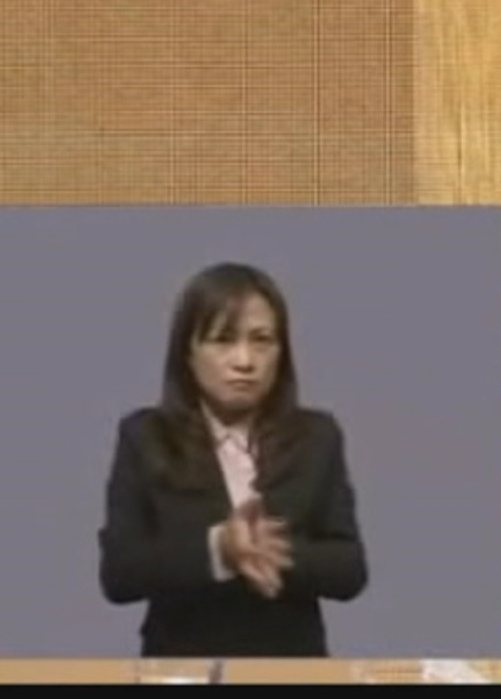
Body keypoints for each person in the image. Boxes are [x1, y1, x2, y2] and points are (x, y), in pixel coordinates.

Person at [98, 261, 367, 657]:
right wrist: (220, 549)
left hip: (291, 664)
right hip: (184, 664)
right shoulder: (146, 436)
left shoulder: (317, 436)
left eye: (262, 340)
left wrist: (266, 550)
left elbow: (349, 569)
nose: (245, 360)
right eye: (223, 340)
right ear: (187, 353)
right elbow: (120, 572)